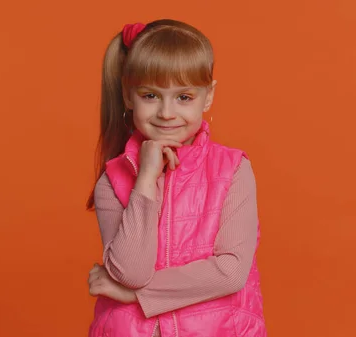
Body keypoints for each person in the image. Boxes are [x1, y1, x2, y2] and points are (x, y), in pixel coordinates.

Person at [85, 19, 267, 337]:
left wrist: (136, 296)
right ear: (129, 97)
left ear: (207, 97)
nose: (167, 112)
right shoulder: (112, 180)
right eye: (150, 96)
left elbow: (230, 272)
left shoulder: (233, 169)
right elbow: (131, 271)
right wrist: (145, 180)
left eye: (184, 97)